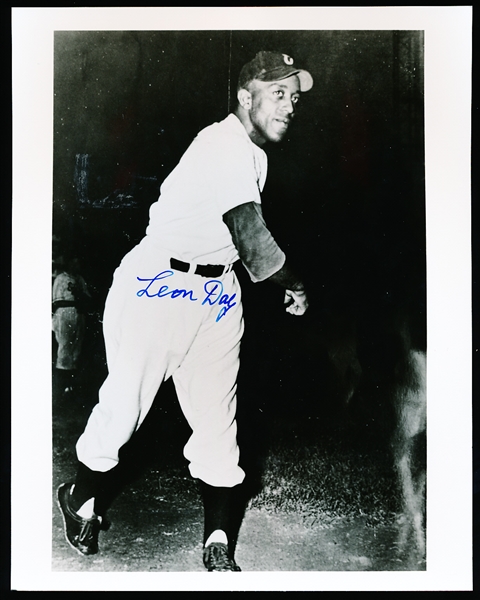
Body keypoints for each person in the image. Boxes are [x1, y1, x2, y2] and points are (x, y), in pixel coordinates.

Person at [57, 50, 313, 571]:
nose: (290, 105)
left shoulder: (255, 155)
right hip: (159, 283)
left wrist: (261, 280)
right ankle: (79, 497)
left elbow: (238, 245)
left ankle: (217, 539)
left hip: (218, 292)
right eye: (278, 93)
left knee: (219, 420)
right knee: (127, 403)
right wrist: (295, 283)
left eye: (295, 97)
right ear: (246, 97)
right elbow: (253, 239)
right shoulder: (222, 144)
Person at [52, 255, 91, 398]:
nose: (76, 266)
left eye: (78, 264)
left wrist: (80, 297)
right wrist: (77, 300)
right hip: (65, 314)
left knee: (76, 351)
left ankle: (70, 387)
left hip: (79, 315)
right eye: (74, 263)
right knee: (64, 351)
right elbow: (56, 302)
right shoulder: (61, 278)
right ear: (68, 264)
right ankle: (60, 387)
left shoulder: (80, 279)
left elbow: (87, 298)